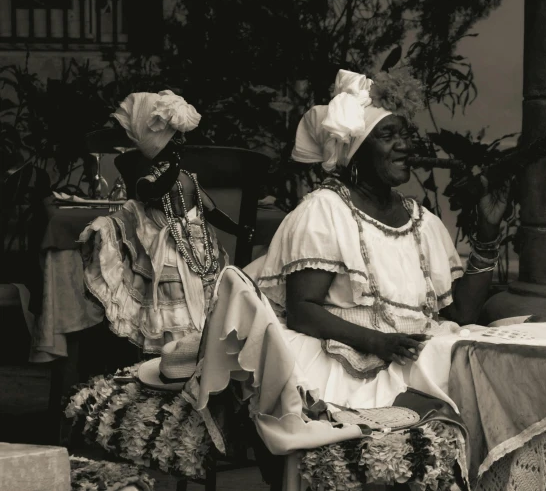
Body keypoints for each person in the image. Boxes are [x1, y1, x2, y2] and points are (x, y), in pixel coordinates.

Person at [246, 69, 509, 408]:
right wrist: (379, 342)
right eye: (388, 135)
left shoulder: (423, 221)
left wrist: (487, 234)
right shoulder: (324, 211)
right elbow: (302, 311)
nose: (405, 146)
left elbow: (462, 312)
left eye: (405, 134)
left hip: (416, 352)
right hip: (349, 362)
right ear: (355, 152)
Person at [80, 91, 251, 353]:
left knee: (209, 298)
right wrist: (171, 170)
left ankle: (200, 349)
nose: (182, 141)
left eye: (182, 136)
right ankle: (172, 352)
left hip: (198, 248)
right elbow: (150, 193)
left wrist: (237, 229)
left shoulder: (187, 177)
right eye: (175, 137)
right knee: (174, 300)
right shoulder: (150, 177)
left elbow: (211, 211)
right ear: (160, 144)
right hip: (167, 251)